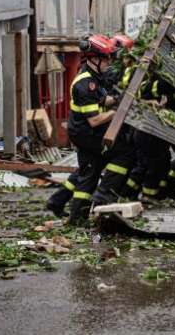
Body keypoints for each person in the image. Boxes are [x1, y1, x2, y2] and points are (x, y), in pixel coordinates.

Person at [45, 34, 117, 223]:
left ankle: (57, 201)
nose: (109, 62)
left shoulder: (95, 77)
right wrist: (116, 112)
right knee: (91, 173)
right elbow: (94, 120)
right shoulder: (85, 83)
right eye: (106, 58)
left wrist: (118, 100)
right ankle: (77, 217)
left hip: (86, 132)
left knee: (87, 169)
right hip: (86, 133)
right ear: (94, 59)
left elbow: (101, 100)